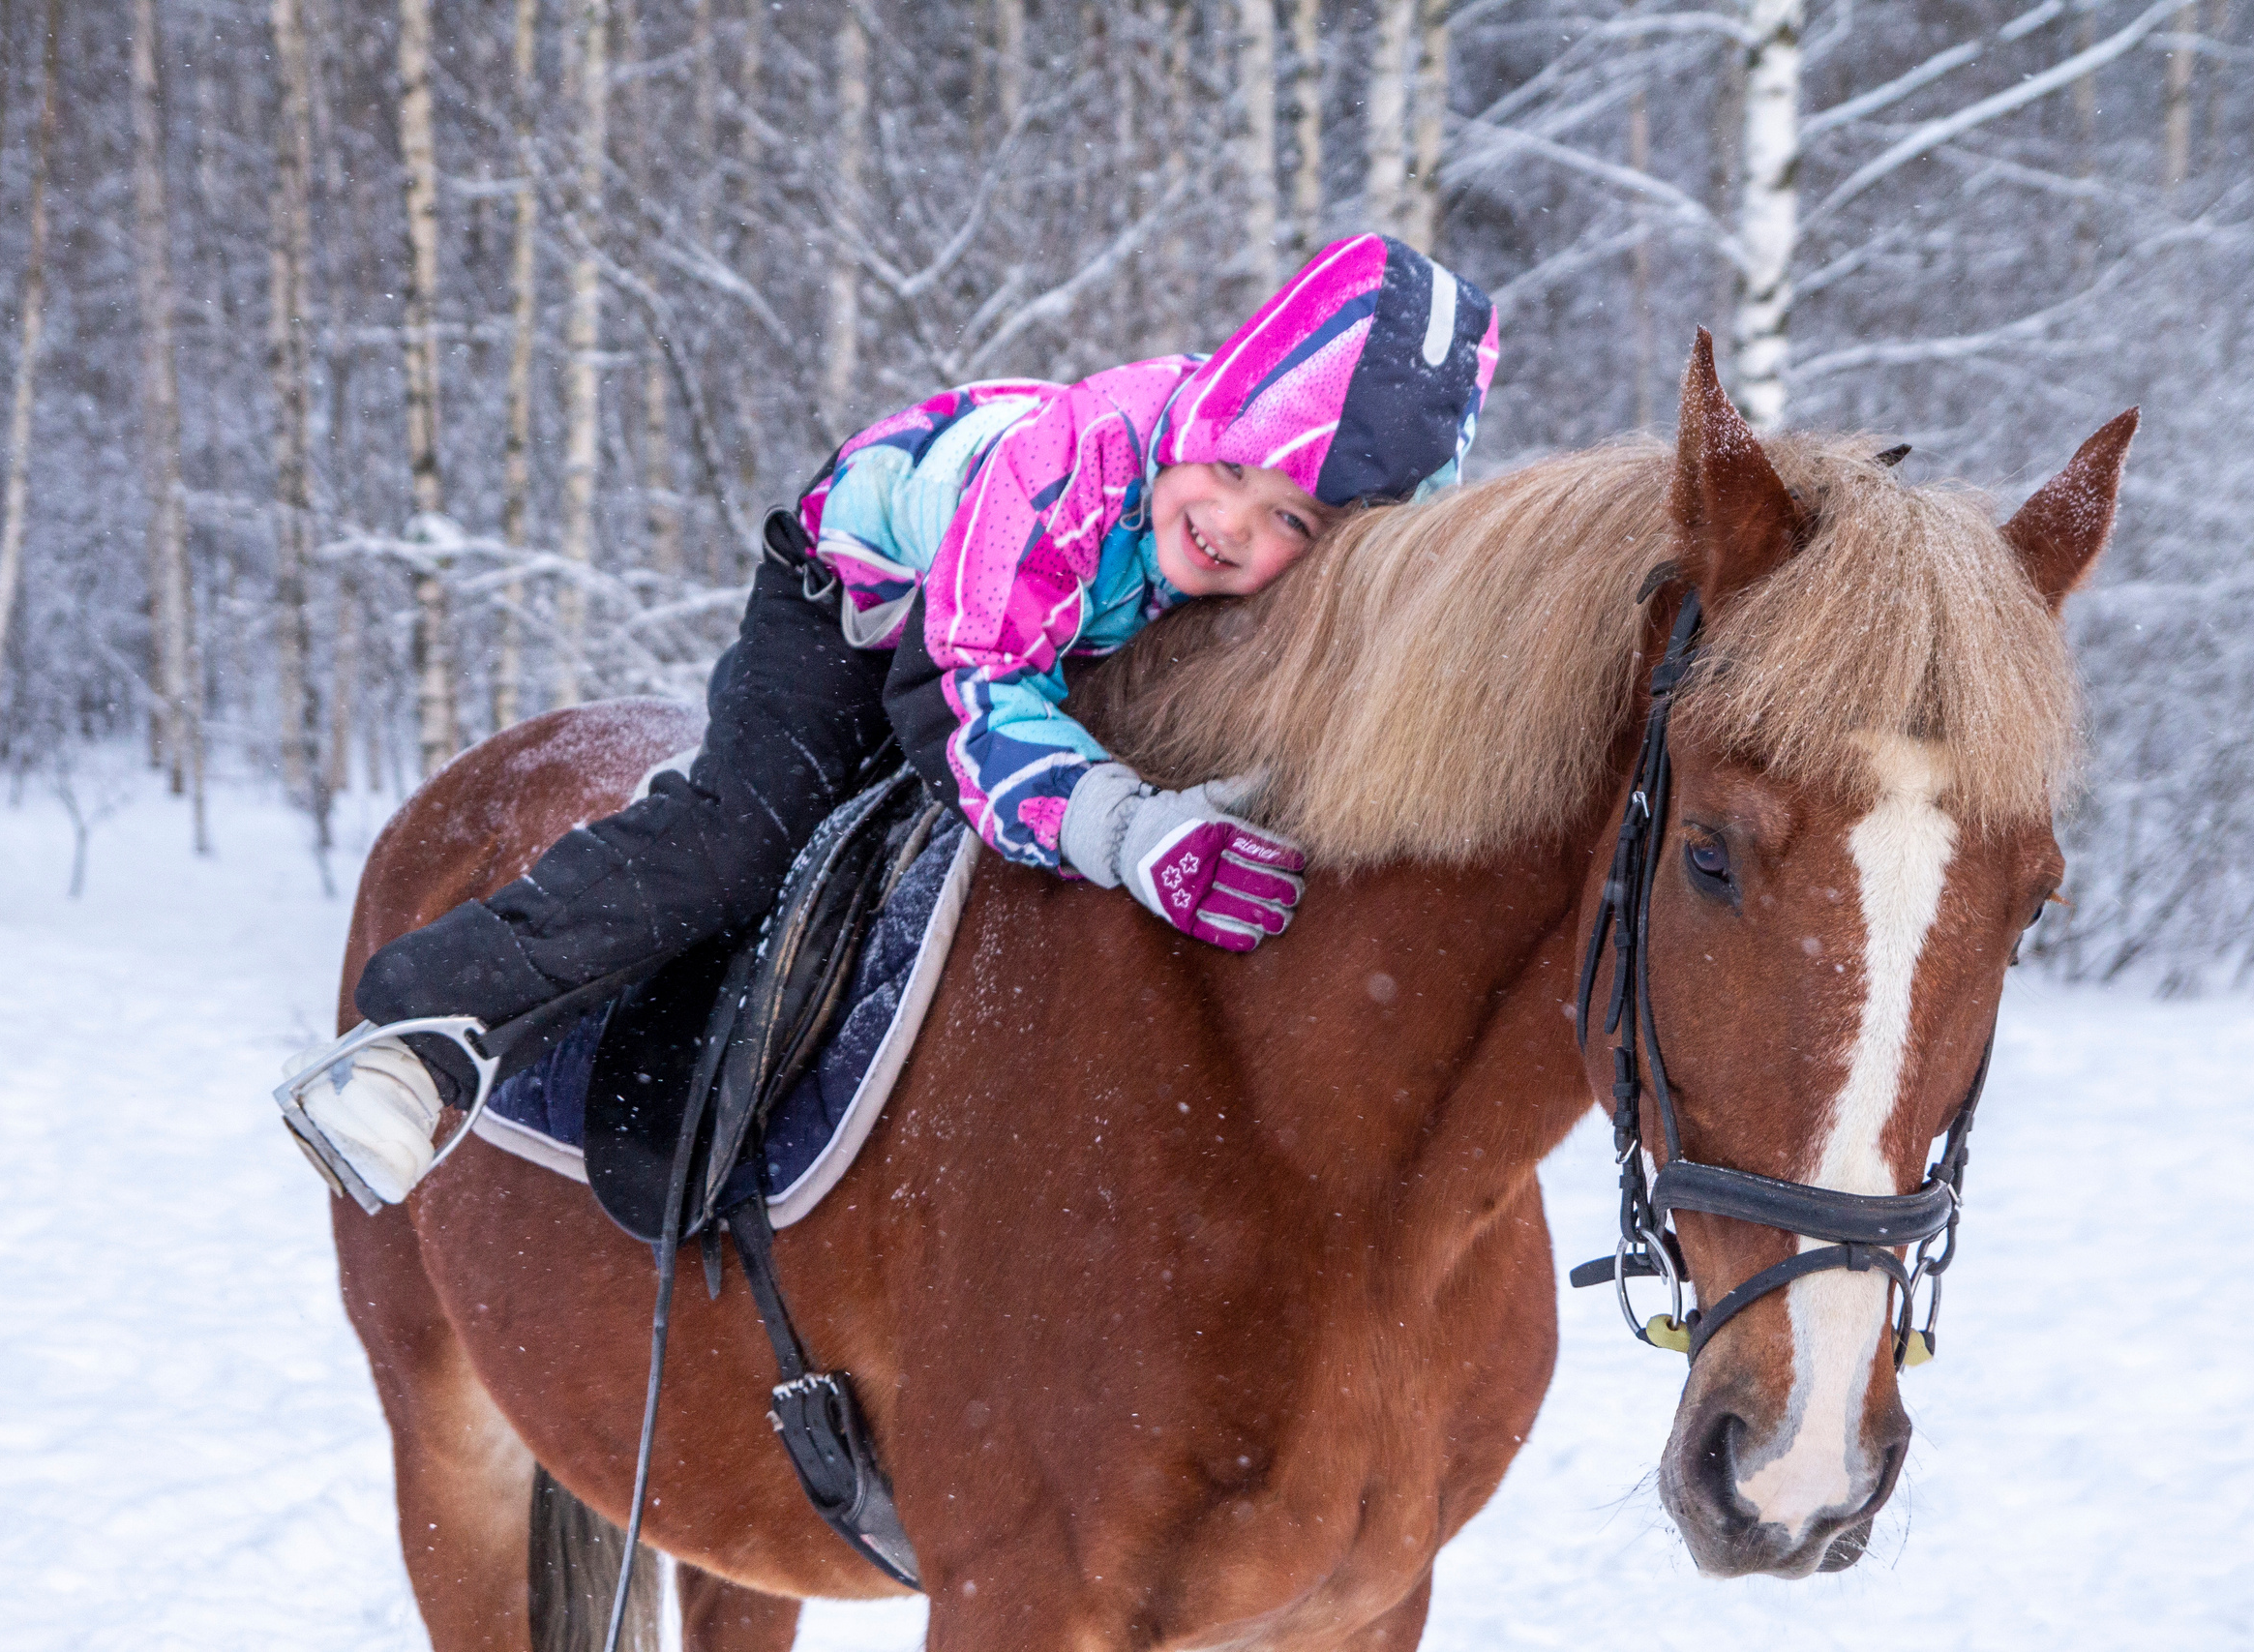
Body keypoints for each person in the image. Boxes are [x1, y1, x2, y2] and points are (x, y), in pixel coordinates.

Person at [292, 234, 1498, 1206]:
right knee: (743, 837)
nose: (1234, 523)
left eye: (1289, 520)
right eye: (1232, 469)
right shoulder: (1069, 463)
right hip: (867, 611)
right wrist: (1130, 831)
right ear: (1204, 418)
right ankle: (421, 1035)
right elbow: (970, 695)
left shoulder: (1243, 570)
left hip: (1065, 638)